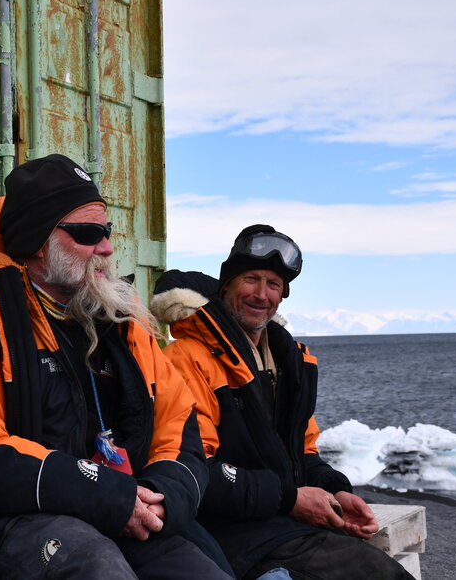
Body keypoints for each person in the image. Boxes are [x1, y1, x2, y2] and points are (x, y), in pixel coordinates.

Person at [0, 154, 231, 579]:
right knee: (92, 565)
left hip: (112, 511)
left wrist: (162, 495)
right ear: (36, 242)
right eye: (87, 234)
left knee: (202, 571)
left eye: (106, 231)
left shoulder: (125, 328)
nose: (105, 248)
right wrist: (102, 494)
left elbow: (178, 425)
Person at [149, 225, 415, 580]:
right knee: (377, 573)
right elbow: (197, 473)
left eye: (273, 285)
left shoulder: (288, 362)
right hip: (230, 531)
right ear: (225, 285)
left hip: (281, 521)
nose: (261, 294)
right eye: (251, 279)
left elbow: (301, 454)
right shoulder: (186, 359)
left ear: (283, 295)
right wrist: (290, 500)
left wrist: (335, 490)